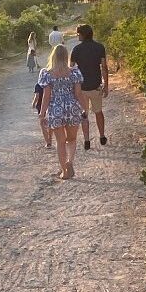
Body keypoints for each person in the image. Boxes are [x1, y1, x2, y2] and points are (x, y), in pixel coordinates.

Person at [38, 45, 87, 179]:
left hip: (56, 109)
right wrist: (85, 109)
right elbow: (78, 93)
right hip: (72, 107)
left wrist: (42, 114)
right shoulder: (74, 72)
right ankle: (69, 161)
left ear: (53, 56)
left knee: (60, 142)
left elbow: (46, 96)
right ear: (66, 56)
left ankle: (64, 171)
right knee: (71, 139)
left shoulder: (47, 73)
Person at [70, 24, 109, 150]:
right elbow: (104, 67)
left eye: (78, 33)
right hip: (96, 85)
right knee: (98, 112)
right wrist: (106, 85)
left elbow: (71, 69)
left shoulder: (76, 49)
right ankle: (102, 136)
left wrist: (72, 87)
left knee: (84, 114)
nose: (77, 36)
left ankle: (87, 140)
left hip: (81, 87)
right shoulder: (99, 47)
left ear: (82, 34)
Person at [32, 81, 52, 148]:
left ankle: (48, 142)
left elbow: (37, 96)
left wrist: (34, 103)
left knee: (42, 124)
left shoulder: (38, 84)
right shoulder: (51, 83)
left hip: (41, 106)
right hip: (50, 105)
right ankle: (50, 139)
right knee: (50, 124)